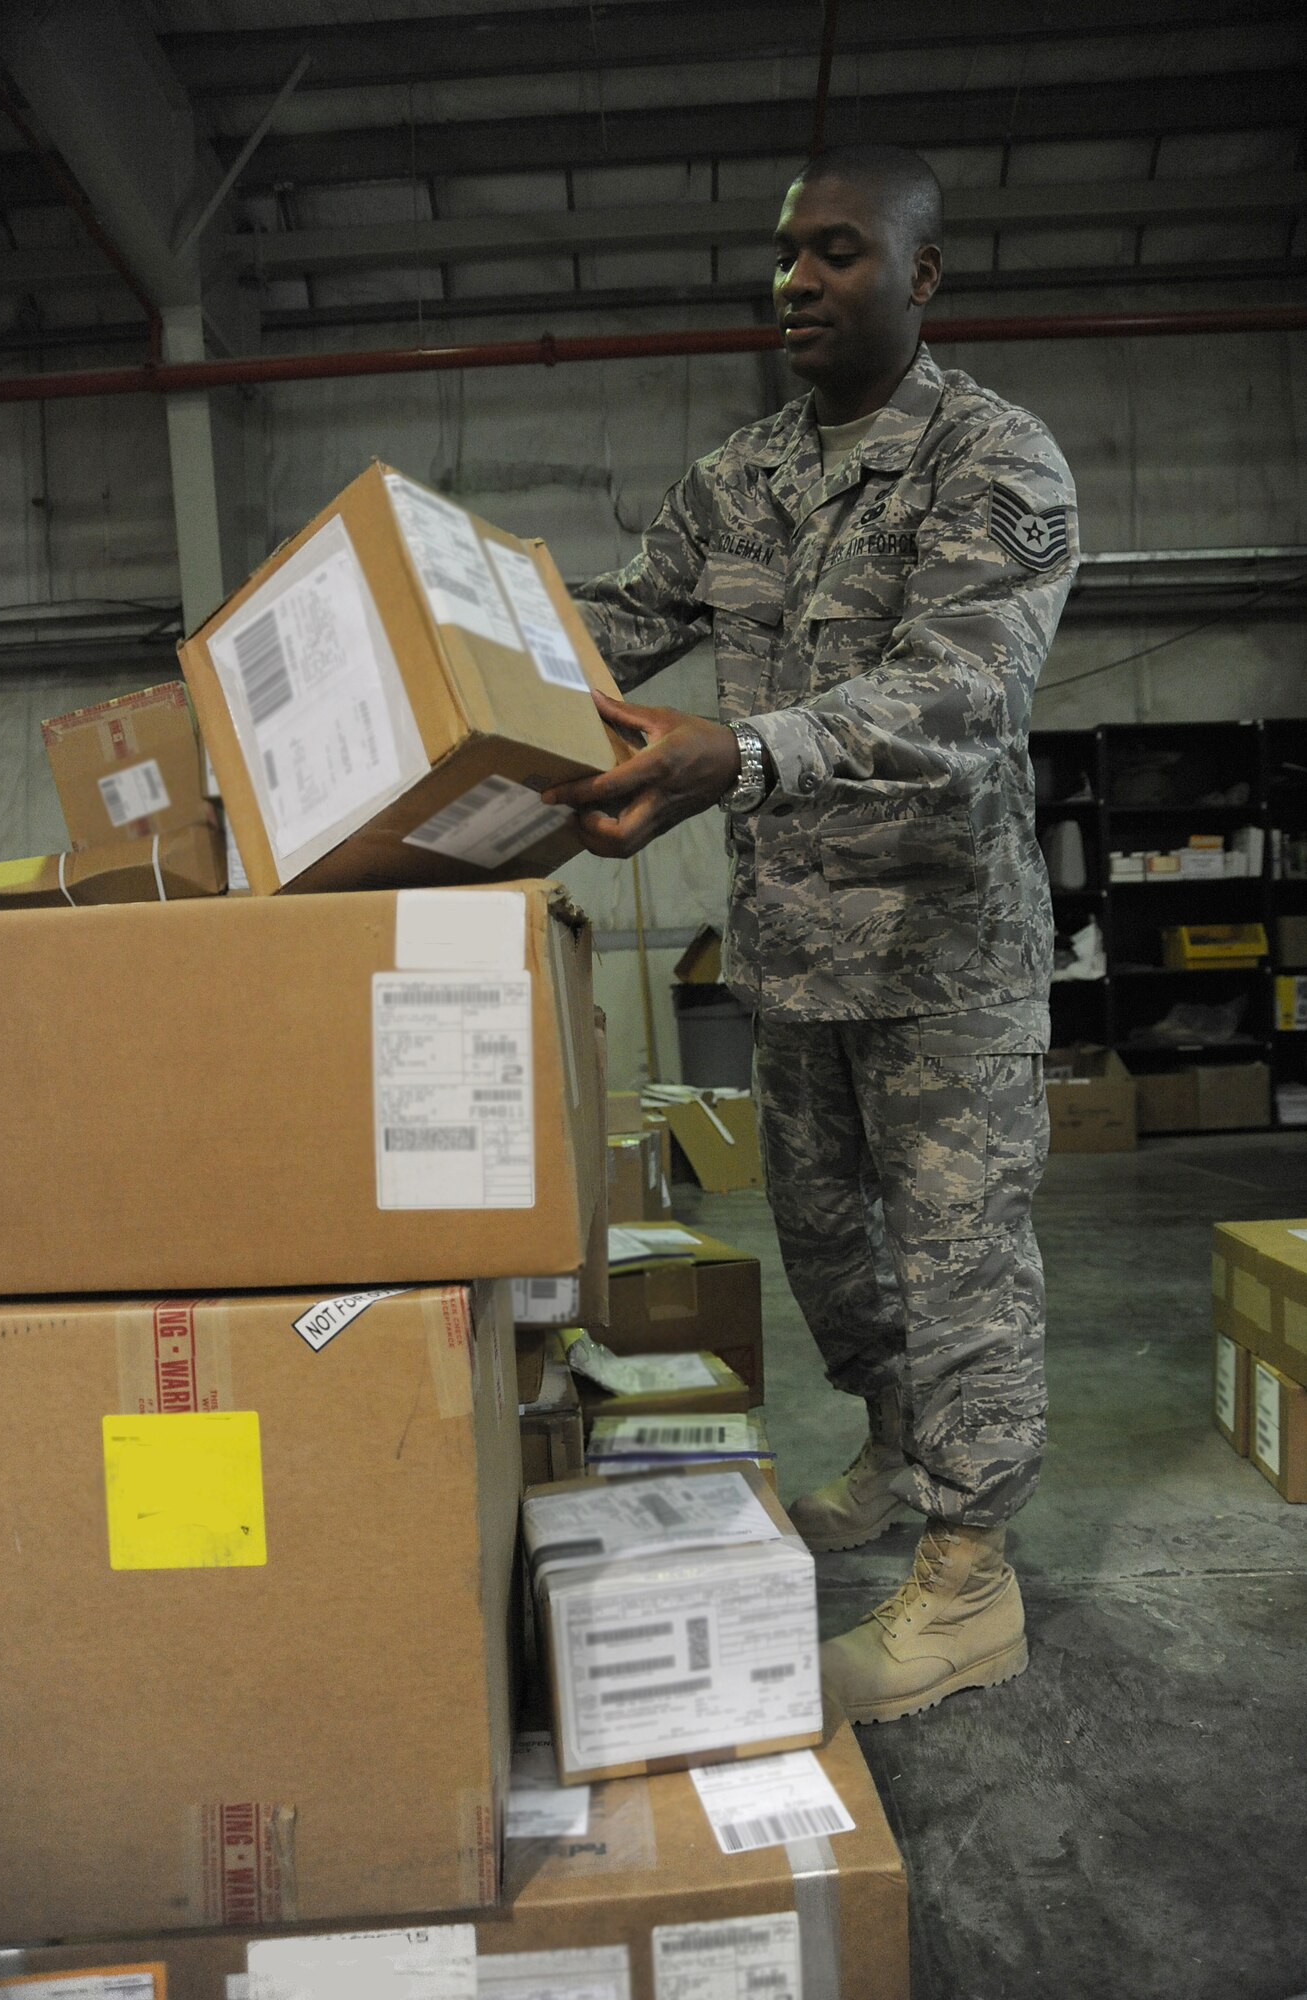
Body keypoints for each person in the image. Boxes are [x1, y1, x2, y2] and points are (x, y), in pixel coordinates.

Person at [544, 143, 1079, 1725]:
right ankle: (904, 1450)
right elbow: (613, 629)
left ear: (923, 275)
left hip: (940, 966)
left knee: (962, 1267)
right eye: (788, 255)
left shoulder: (996, 462)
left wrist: (744, 752)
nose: (796, 280)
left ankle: (970, 1581)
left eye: (837, 253)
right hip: (793, 958)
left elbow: (966, 695)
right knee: (836, 1257)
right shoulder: (740, 477)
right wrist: (446, 641)